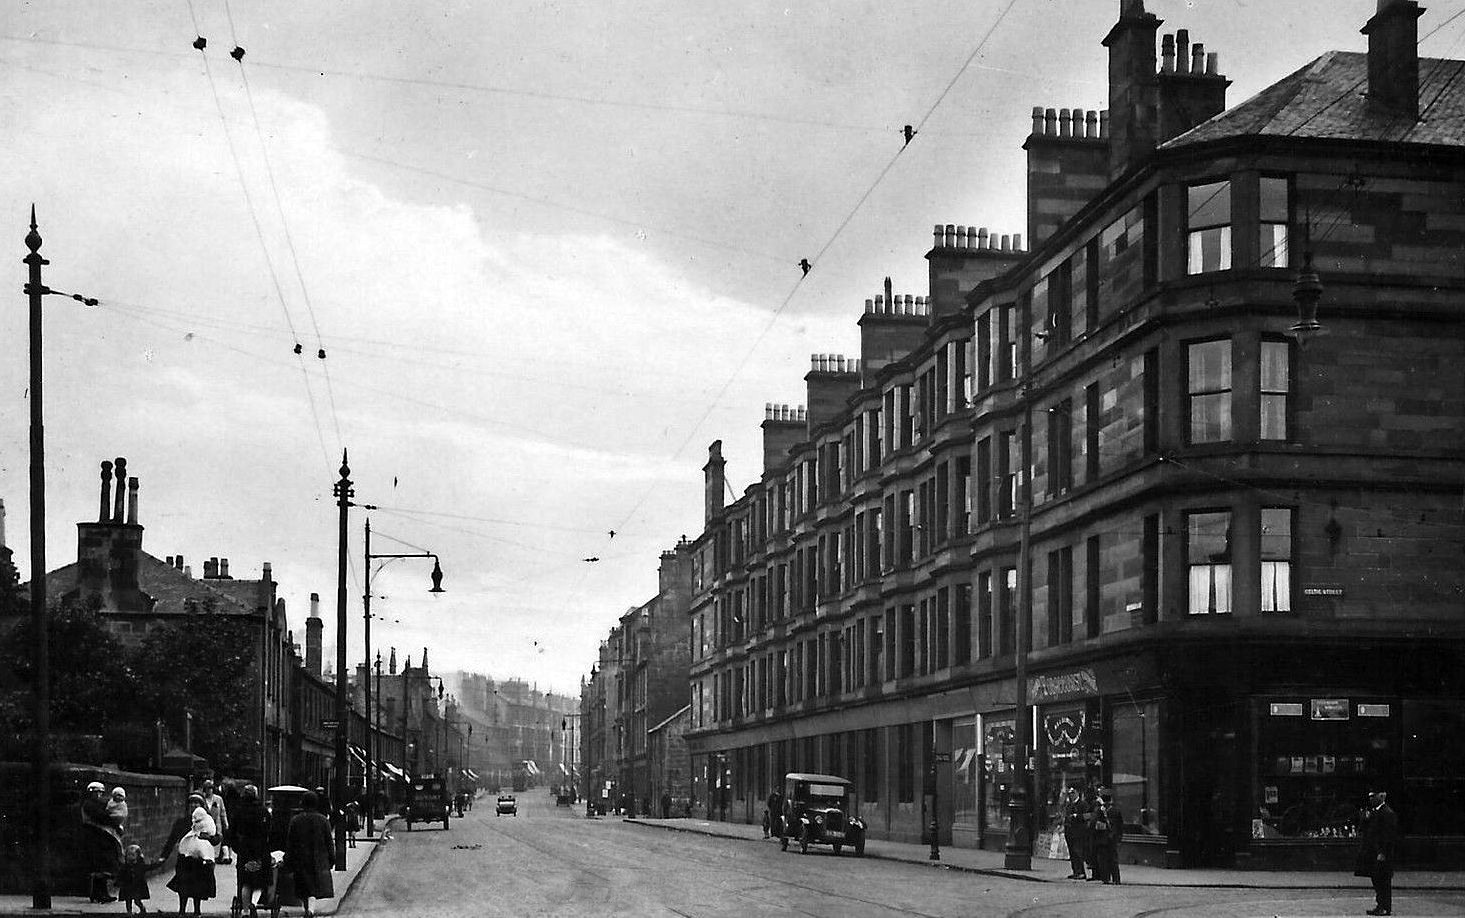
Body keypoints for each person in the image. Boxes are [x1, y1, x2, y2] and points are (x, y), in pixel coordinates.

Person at [286, 791, 335, 918]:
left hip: (300, 858)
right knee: (314, 886)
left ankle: (307, 909)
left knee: (303, 887)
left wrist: (288, 858)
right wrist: (332, 858)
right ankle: (310, 911)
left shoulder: (296, 820)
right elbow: (329, 841)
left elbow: (290, 841)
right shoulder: (323, 820)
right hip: (318, 858)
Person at [165, 802, 219, 917]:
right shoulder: (182, 822)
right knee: (183, 885)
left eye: (197, 803)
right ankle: (182, 910)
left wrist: (209, 838)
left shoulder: (207, 820)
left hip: (199, 860)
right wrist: (164, 856)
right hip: (185, 858)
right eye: (191, 803)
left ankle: (197, 910)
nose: (193, 805)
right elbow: (172, 838)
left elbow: (216, 838)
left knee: (198, 886)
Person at [228, 785, 270, 918]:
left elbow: (232, 832)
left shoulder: (238, 811)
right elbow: (269, 831)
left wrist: (236, 847)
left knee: (246, 881)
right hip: (260, 851)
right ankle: (254, 902)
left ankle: (245, 911)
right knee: (259, 880)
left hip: (245, 851)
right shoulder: (263, 811)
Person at [1357, 789, 1398, 916]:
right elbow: (1365, 830)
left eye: (1373, 796)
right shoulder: (1375, 812)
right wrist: (1364, 818)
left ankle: (1385, 907)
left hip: (1381, 853)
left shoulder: (1387, 813)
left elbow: (1388, 835)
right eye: (1370, 797)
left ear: (1381, 796)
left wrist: (1383, 852)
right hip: (1373, 852)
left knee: (1383, 881)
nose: (1370, 799)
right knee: (1377, 880)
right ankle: (1381, 905)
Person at [199, 780, 230, 865]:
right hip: (206, 825)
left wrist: (225, 823)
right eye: (207, 788)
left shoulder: (218, 799)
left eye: (211, 788)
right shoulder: (202, 799)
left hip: (217, 824)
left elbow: (223, 812)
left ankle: (215, 857)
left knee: (217, 840)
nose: (209, 790)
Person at [1061, 787, 1087, 880]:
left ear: (1077, 793)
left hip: (1078, 832)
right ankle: (1075, 871)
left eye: (1073, 793)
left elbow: (1087, 816)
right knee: (1072, 853)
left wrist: (1077, 816)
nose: (1071, 795)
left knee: (1078, 852)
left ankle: (1081, 872)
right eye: (1070, 793)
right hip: (1070, 831)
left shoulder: (1083, 804)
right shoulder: (1069, 805)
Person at [117, 844, 151, 915]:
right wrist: (119, 881)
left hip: (137, 886)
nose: (130, 856)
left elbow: (149, 867)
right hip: (127, 886)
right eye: (129, 854)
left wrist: (158, 863)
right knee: (128, 900)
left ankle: (142, 908)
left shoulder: (140, 865)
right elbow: (120, 874)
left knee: (137, 900)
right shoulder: (125, 866)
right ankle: (129, 912)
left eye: (132, 855)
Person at [1101, 797, 1124, 885]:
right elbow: (1120, 826)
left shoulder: (1104, 811)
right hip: (1110, 838)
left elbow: (1119, 826)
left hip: (1107, 838)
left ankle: (1109, 878)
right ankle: (1114, 878)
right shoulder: (1112, 810)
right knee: (1110, 859)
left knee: (1108, 859)